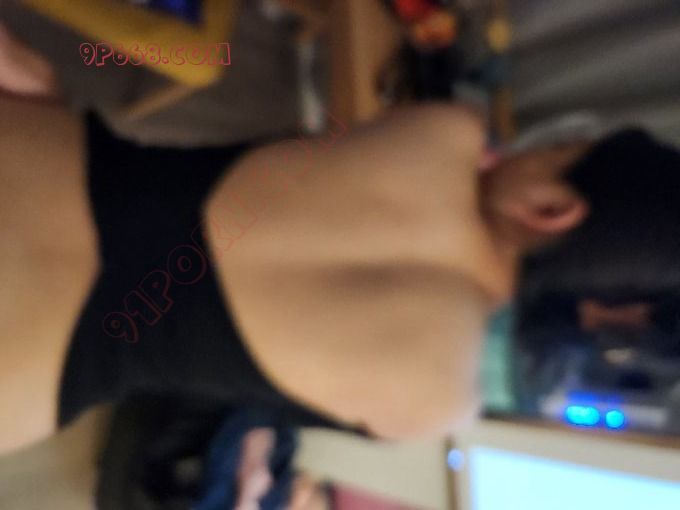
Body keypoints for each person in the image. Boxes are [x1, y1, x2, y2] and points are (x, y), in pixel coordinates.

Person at [2, 20, 680, 457]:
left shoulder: (445, 135)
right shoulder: (439, 404)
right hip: (32, 371)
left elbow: (329, 156)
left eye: (558, 149)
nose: (534, 147)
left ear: (552, 208)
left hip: (41, 174)